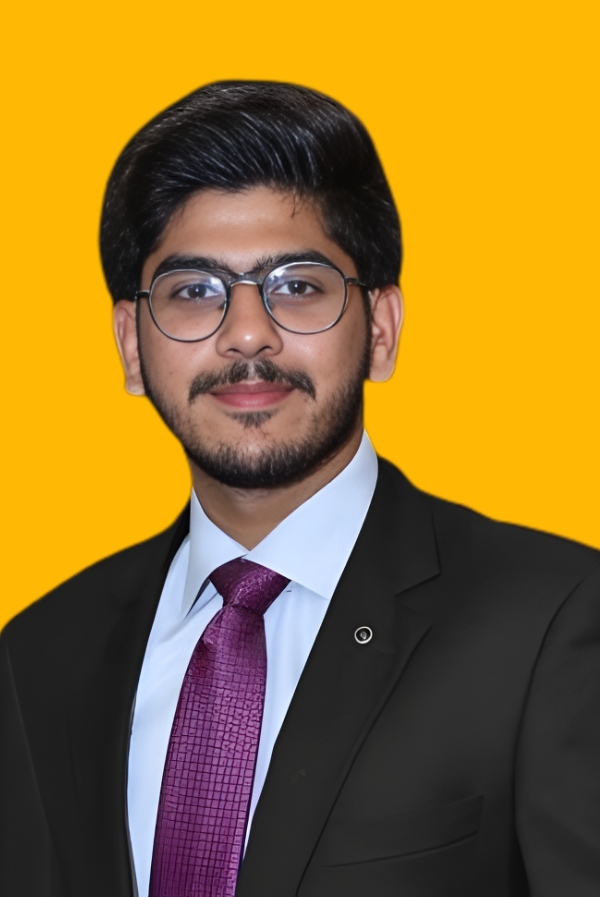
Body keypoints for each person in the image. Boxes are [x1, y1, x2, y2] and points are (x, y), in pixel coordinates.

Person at [1, 80, 599, 897]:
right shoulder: (41, 653)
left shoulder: (550, 622)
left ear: (380, 329)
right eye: (194, 292)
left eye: (297, 286)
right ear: (132, 346)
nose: (248, 334)